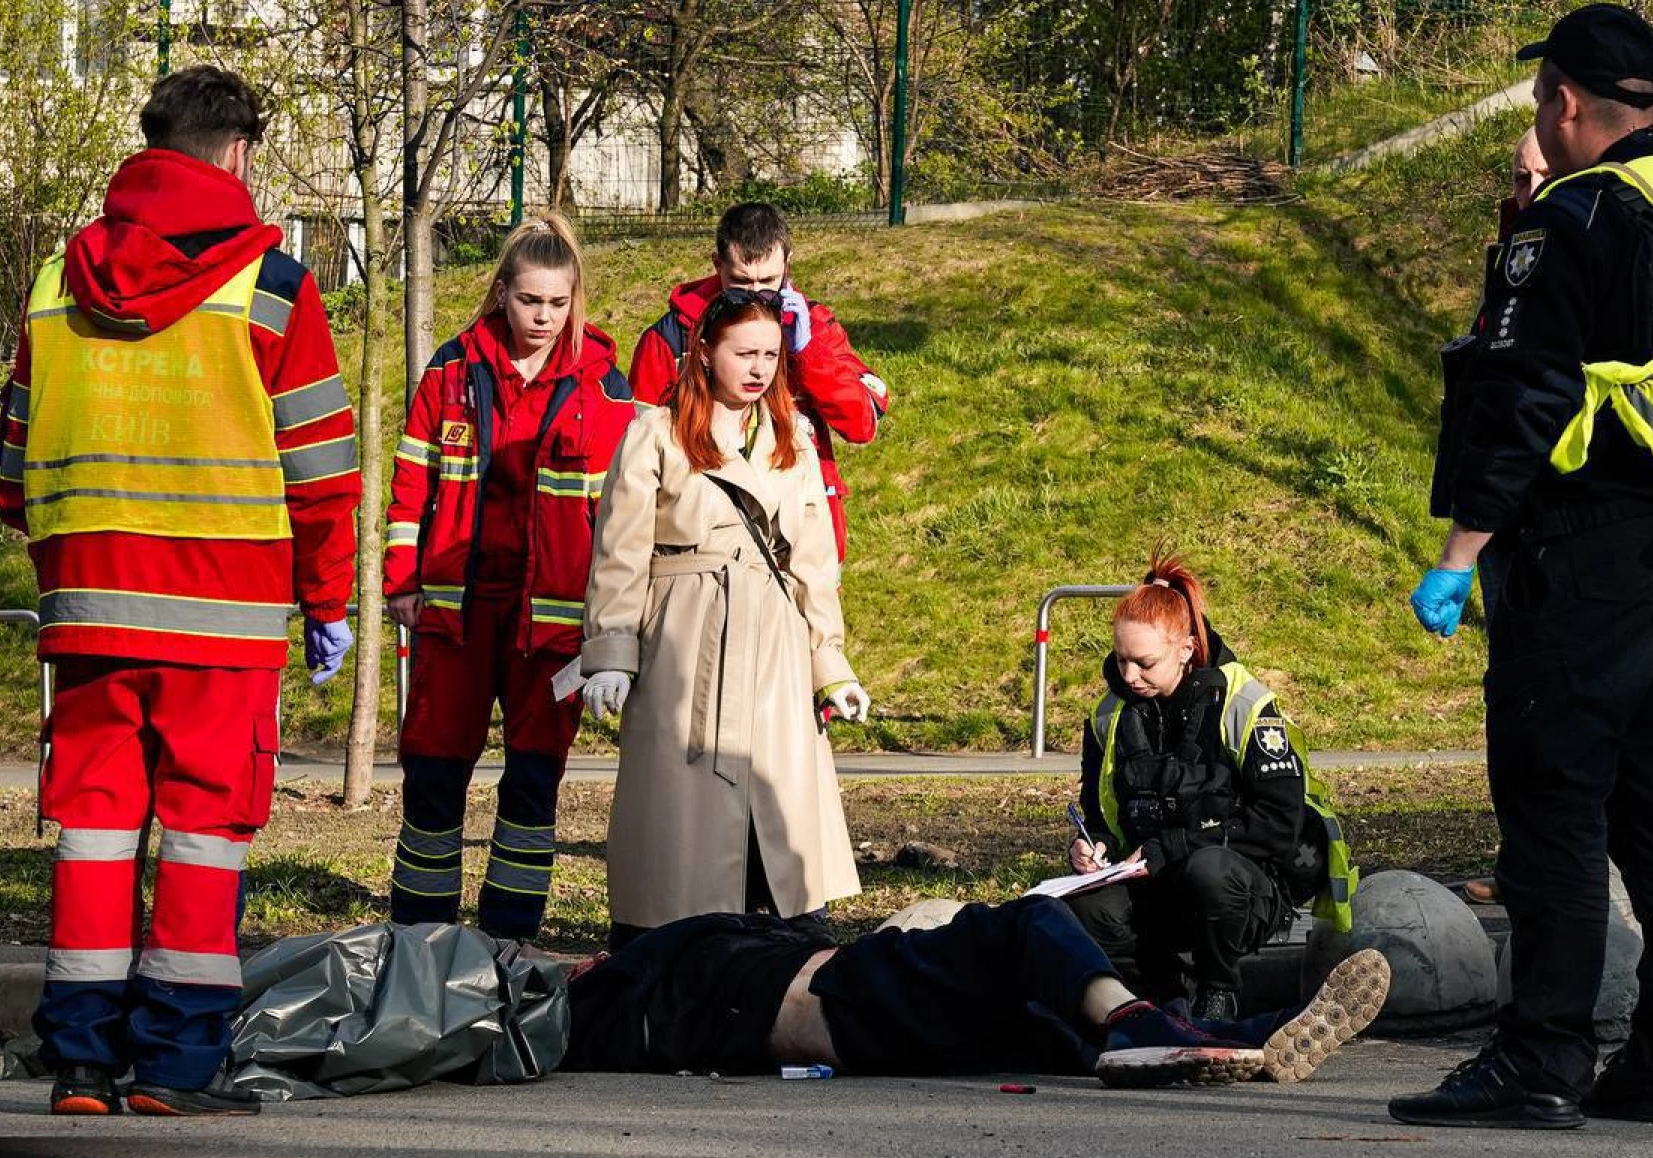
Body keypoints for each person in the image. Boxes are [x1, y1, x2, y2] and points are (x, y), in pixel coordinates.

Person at [1394, 5, 1653, 1129]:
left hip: (1586, 548)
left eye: (1537, 99)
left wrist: (1461, 551)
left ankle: (1542, 1057)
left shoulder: (1577, 215)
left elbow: (1525, 396)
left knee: (1553, 801)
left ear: (1563, 101)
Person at [0, 67, 361, 1116]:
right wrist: (326, 600)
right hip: (223, 616)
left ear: (151, 145)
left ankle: (80, 1064)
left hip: (89, 607)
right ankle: (173, 1067)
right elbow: (321, 472)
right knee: (203, 836)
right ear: (238, 152)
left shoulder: (58, 280)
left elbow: (14, 465)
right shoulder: (273, 287)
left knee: (95, 831)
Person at [583, 290, 871, 949]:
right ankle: (659, 951)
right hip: (683, 643)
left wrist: (829, 664)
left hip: (775, 645)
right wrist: (612, 653)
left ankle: (791, 951)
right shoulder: (654, 434)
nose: (759, 368)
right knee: (676, 829)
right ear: (706, 352)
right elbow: (620, 553)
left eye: (771, 354)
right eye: (745, 353)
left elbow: (814, 562)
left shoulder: (793, 439)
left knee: (780, 813)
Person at [383, 215, 634, 940]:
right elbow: (411, 480)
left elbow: (623, 515)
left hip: (551, 624)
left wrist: (611, 619)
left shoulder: (604, 386)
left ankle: (509, 946)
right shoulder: (451, 369)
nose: (543, 317)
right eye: (530, 301)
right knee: (433, 778)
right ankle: (421, 940)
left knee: (532, 788)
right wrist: (402, 579)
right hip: (456, 611)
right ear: (501, 293)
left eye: (557, 303)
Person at [559, 894, 1392, 1088]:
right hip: (852, 994)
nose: (581, 959)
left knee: (1055, 1027)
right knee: (1025, 924)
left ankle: (1250, 1038)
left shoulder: (658, 973)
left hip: (871, 1020)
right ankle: (1143, 1023)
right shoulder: (628, 986)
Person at [1065, 553, 1348, 1022]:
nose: (1129, 676)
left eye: (1145, 663)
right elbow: (1100, 812)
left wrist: (1174, 846)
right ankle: (1162, 999)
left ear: (1186, 649)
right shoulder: (1109, 713)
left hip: (1244, 884)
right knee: (1085, 900)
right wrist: (1091, 845)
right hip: (1152, 877)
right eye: (1121, 659)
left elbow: (1278, 824)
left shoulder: (1244, 703)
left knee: (1209, 869)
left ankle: (1220, 993)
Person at [627, 201, 887, 562]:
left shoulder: (813, 327)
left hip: (800, 537)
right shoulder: (671, 339)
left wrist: (807, 354)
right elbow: (636, 458)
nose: (754, 295)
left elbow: (862, 424)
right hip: (705, 546)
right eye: (740, 281)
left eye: (767, 282)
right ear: (717, 264)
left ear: (787, 264)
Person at [1457, 127, 1550, 909]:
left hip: (1561, 522)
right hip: (1503, 520)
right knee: (1510, 695)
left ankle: (1558, 868)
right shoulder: (1513, 259)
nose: (1528, 193)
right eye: (1519, 178)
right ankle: (1523, 858)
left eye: (1540, 176)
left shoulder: (1582, 250)